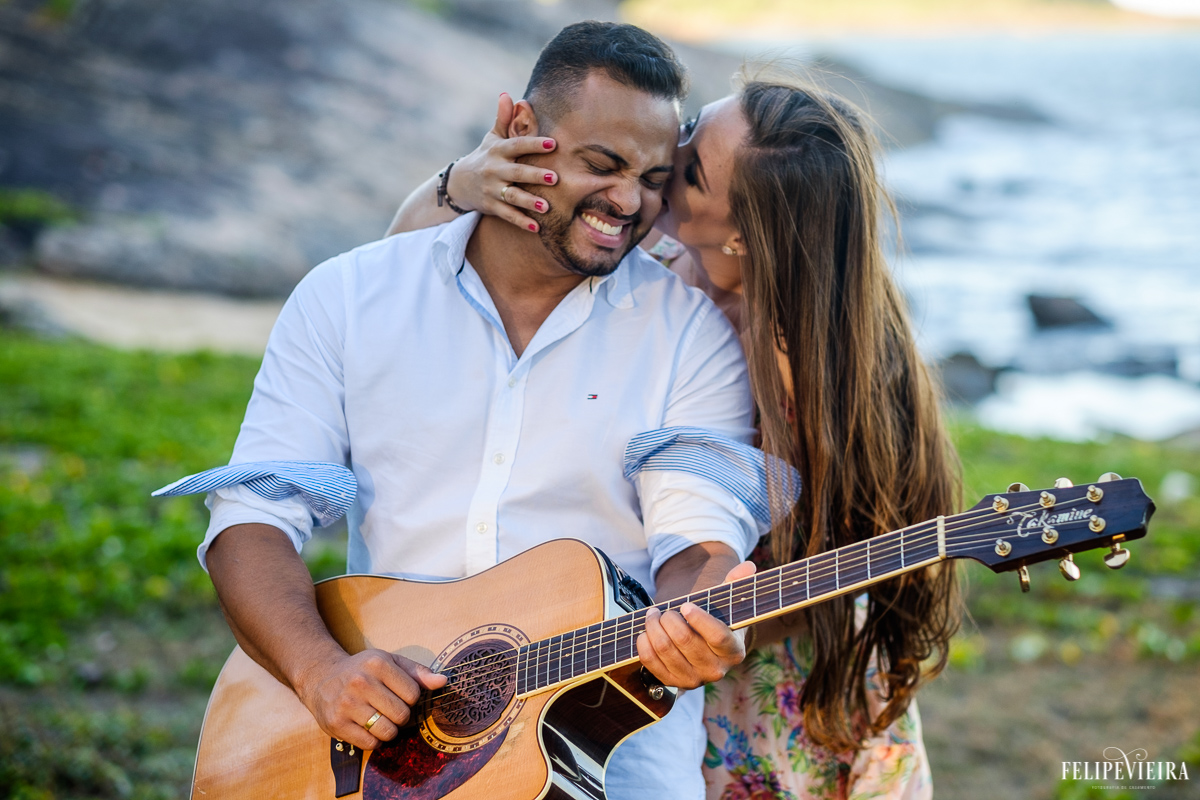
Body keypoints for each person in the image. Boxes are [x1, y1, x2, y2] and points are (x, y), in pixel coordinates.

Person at [154, 21, 791, 800]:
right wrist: (321, 673)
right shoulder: (349, 297)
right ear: (520, 129)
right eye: (602, 165)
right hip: (377, 760)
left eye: (655, 178)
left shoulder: (689, 336)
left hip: (612, 773)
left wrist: (704, 604)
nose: (629, 201)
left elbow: (694, 537)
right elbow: (251, 521)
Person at [388, 70, 962, 799]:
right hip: (610, 648)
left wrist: (705, 627)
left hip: (753, 679)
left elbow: (845, 567)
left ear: (744, 233)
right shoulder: (640, 260)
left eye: (690, 172)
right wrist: (464, 183)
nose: (665, 157)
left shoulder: (812, 370)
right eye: (689, 128)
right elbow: (400, 267)